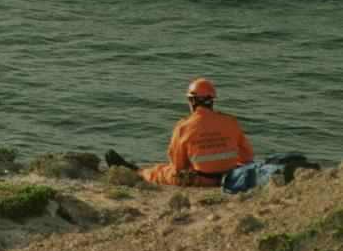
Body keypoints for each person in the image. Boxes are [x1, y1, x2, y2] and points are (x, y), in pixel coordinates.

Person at [106, 78, 254, 186]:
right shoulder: (230, 121)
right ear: (212, 100)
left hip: (201, 180)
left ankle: (136, 172)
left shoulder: (184, 127)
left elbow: (177, 165)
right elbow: (247, 156)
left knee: (161, 171)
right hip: (231, 177)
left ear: (193, 101)